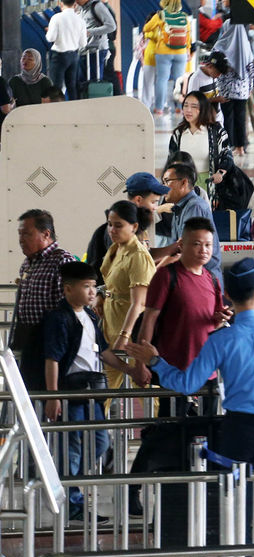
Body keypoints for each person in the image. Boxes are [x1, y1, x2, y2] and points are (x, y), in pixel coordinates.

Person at [126, 257, 254, 550]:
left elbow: (188, 384)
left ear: (227, 295)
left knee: (237, 507)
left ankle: (241, 556)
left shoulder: (220, 340)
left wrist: (155, 361)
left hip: (238, 431)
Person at [42, 262, 134, 521]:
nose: (93, 292)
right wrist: (54, 396)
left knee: (100, 442)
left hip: (93, 390)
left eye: (94, 286)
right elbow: (53, 359)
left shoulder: (92, 316)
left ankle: (67, 484)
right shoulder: (59, 319)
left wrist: (129, 370)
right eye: (86, 287)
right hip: (71, 392)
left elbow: (103, 351)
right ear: (68, 289)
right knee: (71, 447)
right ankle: (72, 502)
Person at [136, 217, 229, 417]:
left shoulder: (212, 279)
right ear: (182, 244)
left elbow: (215, 321)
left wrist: (222, 318)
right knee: (173, 431)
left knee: (207, 431)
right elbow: (149, 319)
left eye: (208, 245)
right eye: (196, 244)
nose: (203, 250)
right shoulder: (166, 276)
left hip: (207, 370)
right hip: (172, 368)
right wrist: (141, 363)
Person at [12, 210, 78, 390]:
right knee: (28, 393)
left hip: (51, 342)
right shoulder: (28, 263)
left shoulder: (62, 261)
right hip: (28, 340)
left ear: (46, 234)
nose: (21, 239)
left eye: (27, 233)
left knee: (48, 395)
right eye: (20, 234)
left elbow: (70, 309)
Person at [100, 201, 156, 391]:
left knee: (143, 385)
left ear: (134, 227)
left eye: (118, 225)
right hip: (111, 323)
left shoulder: (138, 255)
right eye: (110, 224)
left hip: (130, 330)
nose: (112, 230)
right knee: (105, 387)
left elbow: (139, 303)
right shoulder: (115, 249)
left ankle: (156, 420)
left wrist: (124, 336)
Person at [85, 173, 169, 285]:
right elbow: (127, 269)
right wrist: (166, 263)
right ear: (138, 200)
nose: (156, 207)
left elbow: (146, 254)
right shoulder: (123, 231)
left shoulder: (139, 227)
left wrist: (174, 248)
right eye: (153, 202)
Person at [158, 163, 224, 284]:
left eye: (167, 181)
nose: (163, 187)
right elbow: (176, 247)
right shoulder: (180, 208)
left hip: (202, 280)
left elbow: (187, 252)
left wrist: (155, 272)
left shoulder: (194, 207)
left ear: (183, 182)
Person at [168, 92, 235, 192]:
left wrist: (220, 173)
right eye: (185, 106)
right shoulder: (178, 134)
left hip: (209, 184)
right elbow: (171, 160)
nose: (188, 110)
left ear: (203, 109)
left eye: (194, 106)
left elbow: (227, 156)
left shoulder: (216, 131)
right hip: (185, 186)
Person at [213, 20, 254, 155]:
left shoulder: (220, 45)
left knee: (227, 118)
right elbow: (250, 68)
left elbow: (214, 65)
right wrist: (250, 87)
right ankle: (240, 147)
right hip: (242, 90)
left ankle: (228, 146)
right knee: (240, 119)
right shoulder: (246, 45)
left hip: (225, 90)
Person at [144, 0, 192, 116]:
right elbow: (188, 35)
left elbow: (147, 28)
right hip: (181, 52)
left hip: (163, 52)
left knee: (162, 79)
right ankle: (180, 108)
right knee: (179, 80)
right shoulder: (184, 16)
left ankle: (159, 108)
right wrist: (188, 50)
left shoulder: (160, 15)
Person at [46, 0, 87, 101]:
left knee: (56, 88)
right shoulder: (80, 20)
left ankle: (57, 111)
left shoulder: (56, 18)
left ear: (60, 3)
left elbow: (50, 38)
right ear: (74, 4)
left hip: (59, 56)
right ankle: (74, 111)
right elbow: (83, 43)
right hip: (74, 56)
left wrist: (48, 31)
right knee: (72, 86)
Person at [77, 0, 116, 83]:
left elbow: (111, 26)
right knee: (83, 84)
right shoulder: (81, 9)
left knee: (94, 84)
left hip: (96, 51)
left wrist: (90, 32)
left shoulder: (97, 6)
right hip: (84, 51)